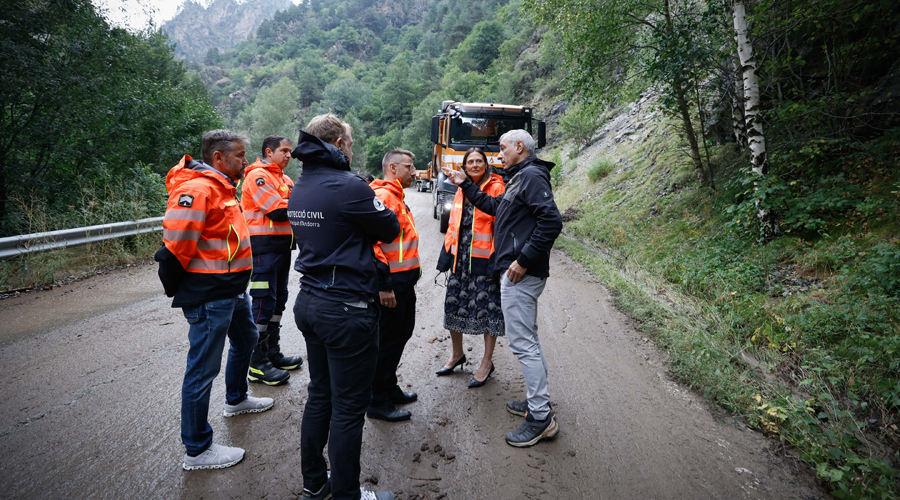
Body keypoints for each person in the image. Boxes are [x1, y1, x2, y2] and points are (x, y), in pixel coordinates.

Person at [288, 113, 397, 500]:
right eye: (350, 144)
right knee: (349, 408)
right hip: (346, 308)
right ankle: (347, 495)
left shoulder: (300, 185)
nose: (352, 150)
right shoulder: (349, 186)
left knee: (320, 395)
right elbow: (390, 229)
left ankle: (315, 484)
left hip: (310, 302)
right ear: (338, 144)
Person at [155, 129, 274, 470]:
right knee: (202, 369)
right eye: (239, 155)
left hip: (230, 290)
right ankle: (197, 450)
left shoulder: (223, 187)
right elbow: (175, 248)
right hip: (210, 294)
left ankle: (236, 399)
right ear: (218, 158)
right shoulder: (197, 190)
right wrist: (186, 290)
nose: (246, 161)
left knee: (247, 338)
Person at [442, 129, 563, 448]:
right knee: (529, 339)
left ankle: (541, 418)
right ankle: (537, 402)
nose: (499, 154)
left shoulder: (531, 176)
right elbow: (494, 206)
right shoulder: (520, 177)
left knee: (524, 344)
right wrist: (465, 183)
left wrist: (523, 260)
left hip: (521, 273)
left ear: (520, 147)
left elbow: (551, 222)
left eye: (503, 148)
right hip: (517, 270)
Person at [435, 148, 506, 388]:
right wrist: (446, 253)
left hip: (484, 258)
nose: (474, 165)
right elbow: (453, 224)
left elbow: (499, 225)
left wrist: (496, 260)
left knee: (488, 309)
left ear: (486, 165)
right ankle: (457, 355)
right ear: (465, 166)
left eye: (479, 161)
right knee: (453, 303)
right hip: (460, 257)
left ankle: (487, 362)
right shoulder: (459, 188)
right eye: (470, 162)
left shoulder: (496, 187)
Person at [241, 135, 303, 386]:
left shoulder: (284, 179)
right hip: (263, 249)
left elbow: (292, 206)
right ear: (269, 152)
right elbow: (277, 211)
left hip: (281, 248)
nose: (289, 155)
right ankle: (256, 363)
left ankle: (272, 353)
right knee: (263, 303)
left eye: (290, 151)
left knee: (278, 301)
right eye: (284, 150)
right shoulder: (258, 175)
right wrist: (301, 202)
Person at [368, 150, 420, 422]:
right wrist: (384, 284)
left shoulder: (396, 196)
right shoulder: (383, 196)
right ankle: (377, 400)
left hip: (404, 282)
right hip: (392, 285)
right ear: (392, 168)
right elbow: (372, 244)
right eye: (409, 167)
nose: (414, 172)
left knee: (401, 334)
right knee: (386, 341)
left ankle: (389, 386)